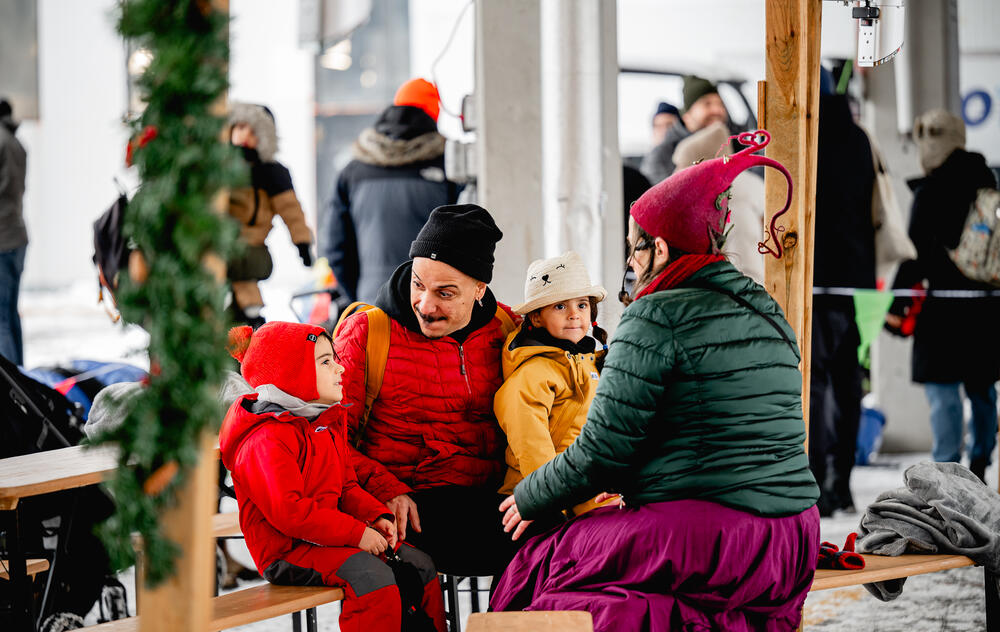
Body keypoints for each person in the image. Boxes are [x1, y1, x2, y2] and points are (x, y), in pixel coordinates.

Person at [491, 132, 820, 631]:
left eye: (633, 249)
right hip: (794, 541)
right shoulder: (765, 307)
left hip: (718, 538)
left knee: (541, 559)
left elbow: (602, 453)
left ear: (659, 248)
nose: (629, 264)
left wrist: (531, 496)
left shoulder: (655, 315)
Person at [220, 321, 446, 632]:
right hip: (287, 551)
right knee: (371, 576)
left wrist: (375, 516)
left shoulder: (325, 422)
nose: (339, 369)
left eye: (335, 358)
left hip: (329, 539)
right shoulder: (265, 439)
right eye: (326, 361)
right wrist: (357, 534)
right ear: (290, 372)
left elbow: (346, 486)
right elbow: (291, 514)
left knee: (419, 565)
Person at [333, 204, 520, 578]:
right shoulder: (368, 334)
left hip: (491, 497)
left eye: (445, 293)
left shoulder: (505, 328)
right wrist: (383, 488)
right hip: (406, 504)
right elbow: (328, 440)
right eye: (418, 284)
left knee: (558, 548)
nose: (426, 305)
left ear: (479, 289)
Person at [886, 109, 1000, 484]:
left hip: (942, 314)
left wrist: (896, 305)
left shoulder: (930, 191)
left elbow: (914, 256)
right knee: (982, 392)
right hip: (986, 308)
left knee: (944, 396)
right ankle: (981, 464)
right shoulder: (988, 181)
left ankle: (948, 473)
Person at [322, 78, 461, 303]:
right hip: (433, 306)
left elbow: (336, 249)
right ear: (434, 113)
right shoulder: (449, 166)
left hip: (372, 303)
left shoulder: (354, 171)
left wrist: (358, 295)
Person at [495, 251, 608, 521]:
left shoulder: (595, 364)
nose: (573, 314)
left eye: (581, 305)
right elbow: (532, 447)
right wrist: (551, 501)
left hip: (591, 487)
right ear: (535, 318)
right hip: (541, 493)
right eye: (560, 306)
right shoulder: (532, 375)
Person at [808, 71, 877, 514]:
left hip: (811, 279)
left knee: (810, 384)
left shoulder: (801, 136)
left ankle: (814, 483)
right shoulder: (857, 136)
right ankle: (843, 483)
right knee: (847, 382)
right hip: (854, 279)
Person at [227, 103, 314, 328]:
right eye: (240, 127)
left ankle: (251, 318)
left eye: (253, 130)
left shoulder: (271, 173)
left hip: (249, 243)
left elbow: (291, 210)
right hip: (217, 241)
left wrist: (302, 242)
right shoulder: (220, 168)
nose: (245, 135)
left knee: (246, 288)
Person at [672, 120, 765, 284]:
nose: (675, 176)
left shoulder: (734, 203)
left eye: (683, 168)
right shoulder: (724, 198)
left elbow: (748, 274)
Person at [640, 75, 729, 184]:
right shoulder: (661, 156)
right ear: (687, 114)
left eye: (720, 104)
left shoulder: (734, 142)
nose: (717, 110)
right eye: (707, 104)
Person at [0, 98, 28, 366]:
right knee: (9, 313)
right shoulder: (16, 143)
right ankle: (20, 374)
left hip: (3, 238)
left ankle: (11, 385)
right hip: (17, 236)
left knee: (2, 318)